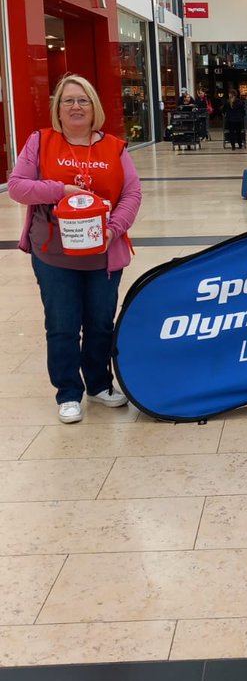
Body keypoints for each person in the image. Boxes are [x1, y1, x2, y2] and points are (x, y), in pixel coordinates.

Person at [7, 73, 142, 424]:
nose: (76, 106)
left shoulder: (115, 147)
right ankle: (68, 392)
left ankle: (98, 385)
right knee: (63, 325)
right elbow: (17, 186)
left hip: (103, 253)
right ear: (58, 108)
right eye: (68, 100)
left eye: (83, 100)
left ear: (94, 107)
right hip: (54, 254)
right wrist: (60, 190)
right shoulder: (40, 141)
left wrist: (113, 230)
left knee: (100, 324)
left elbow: (132, 193)